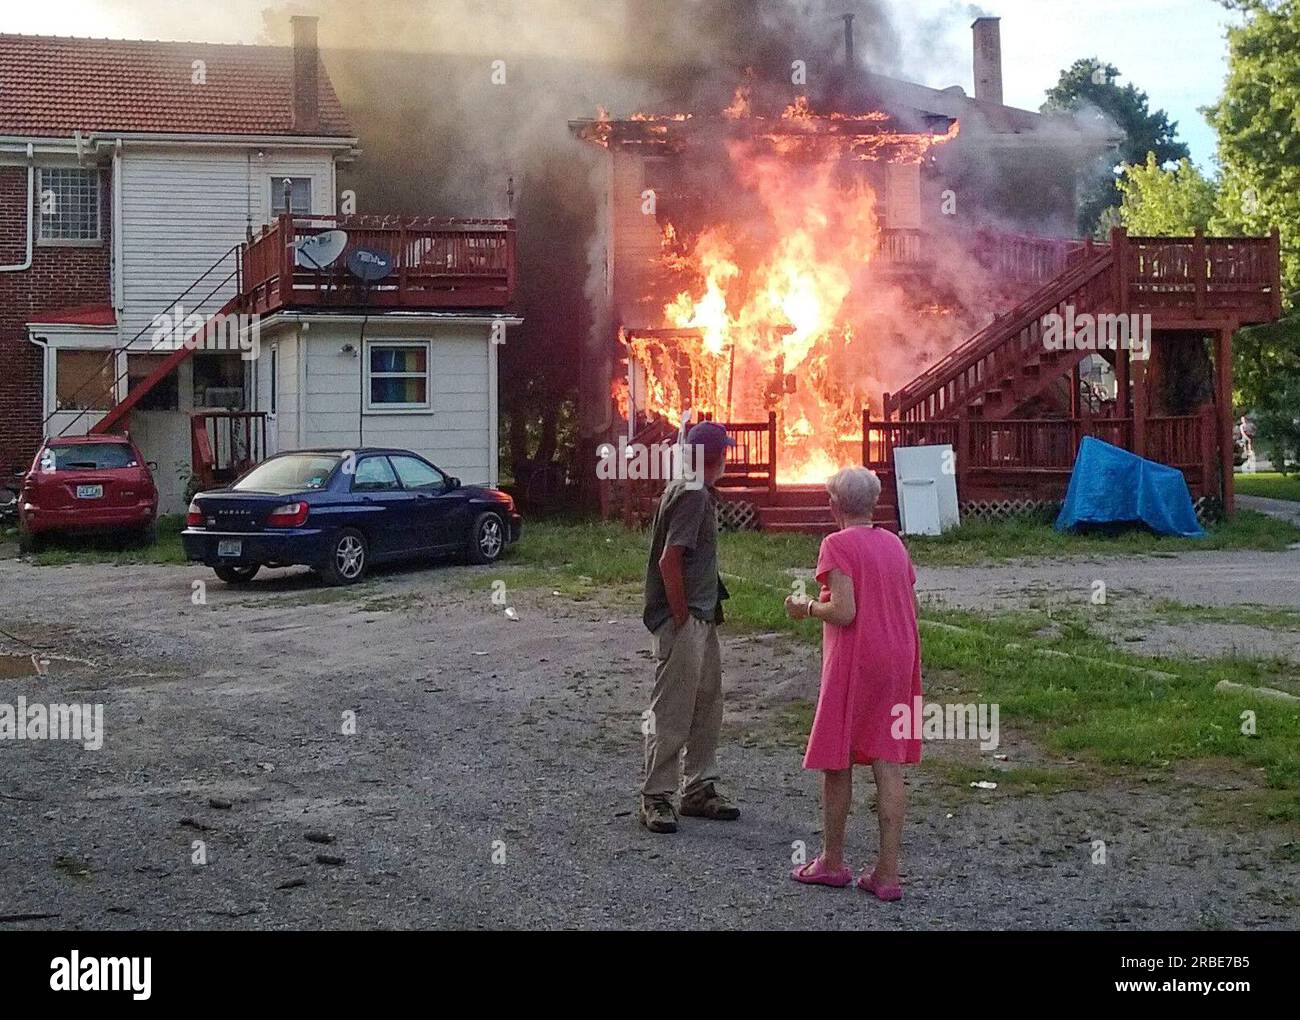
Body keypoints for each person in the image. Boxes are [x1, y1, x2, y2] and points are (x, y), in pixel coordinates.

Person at [784, 466, 922, 900]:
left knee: (838, 755)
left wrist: (806, 607)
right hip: (900, 654)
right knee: (888, 757)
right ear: (875, 503)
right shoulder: (894, 544)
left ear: (833, 507)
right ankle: (887, 873)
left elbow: (844, 612)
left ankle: (832, 860)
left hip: (858, 659)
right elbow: (907, 599)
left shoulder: (836, 544)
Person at [638, 421, 741, 834]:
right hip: (687, 619)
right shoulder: (693, 495)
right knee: (673, 709)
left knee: (706, 702)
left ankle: (699, 787)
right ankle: (656, 795)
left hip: (702, 614)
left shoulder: (689, 486)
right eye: (725, 453)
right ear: (714, 458)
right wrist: (680, 616)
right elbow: (669, 560)